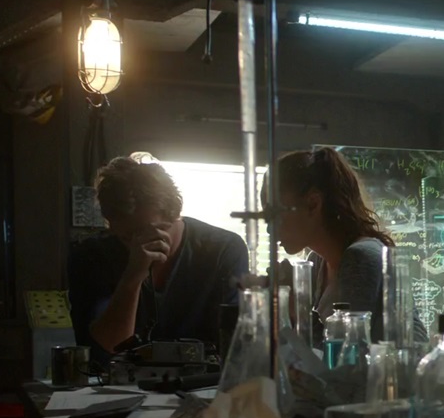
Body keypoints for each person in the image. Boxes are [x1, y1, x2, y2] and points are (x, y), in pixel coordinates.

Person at [68, 154, 249, 361]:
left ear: (174, 215)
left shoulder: (223, 250)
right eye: (126, 237)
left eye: (148, 231)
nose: (139, 244)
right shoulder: (91, 256)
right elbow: (110, 344)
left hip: (203, 378)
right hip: (115, 378)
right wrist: (133, 276)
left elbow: (235, 345)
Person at [273, 147, 396, 341]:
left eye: (276, 214)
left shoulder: (361, 257)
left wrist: (297, 308)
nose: (270, 229)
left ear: (313, 204)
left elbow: (348, 351)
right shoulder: (317, 262)